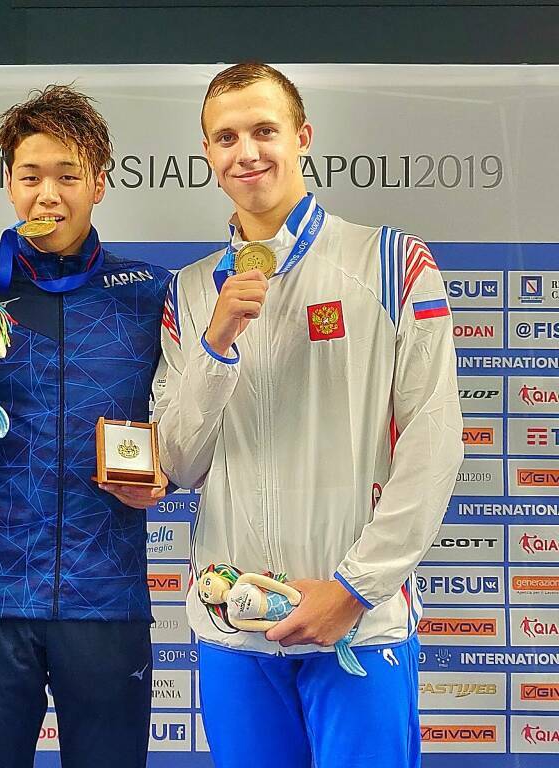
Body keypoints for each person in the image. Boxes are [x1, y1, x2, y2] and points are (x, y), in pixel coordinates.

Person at [154, 62, 464, 768]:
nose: (247, 152)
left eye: (265, 130)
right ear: (208, 154)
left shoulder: (390, 261)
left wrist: (354, 589)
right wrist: (215, 343)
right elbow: (177, 460)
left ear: (303, 137)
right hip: (234, 628)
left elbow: (434, 442)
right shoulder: (192, 289)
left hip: (355, 625)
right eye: (226, 137)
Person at [0, 85, 170, 768]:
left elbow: (189, 425)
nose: (48, 195)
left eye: (68, 176)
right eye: (31, 177)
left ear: (101, 184)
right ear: (8, 185)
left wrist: (167, 474)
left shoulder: (150, 293)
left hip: (108, 603)